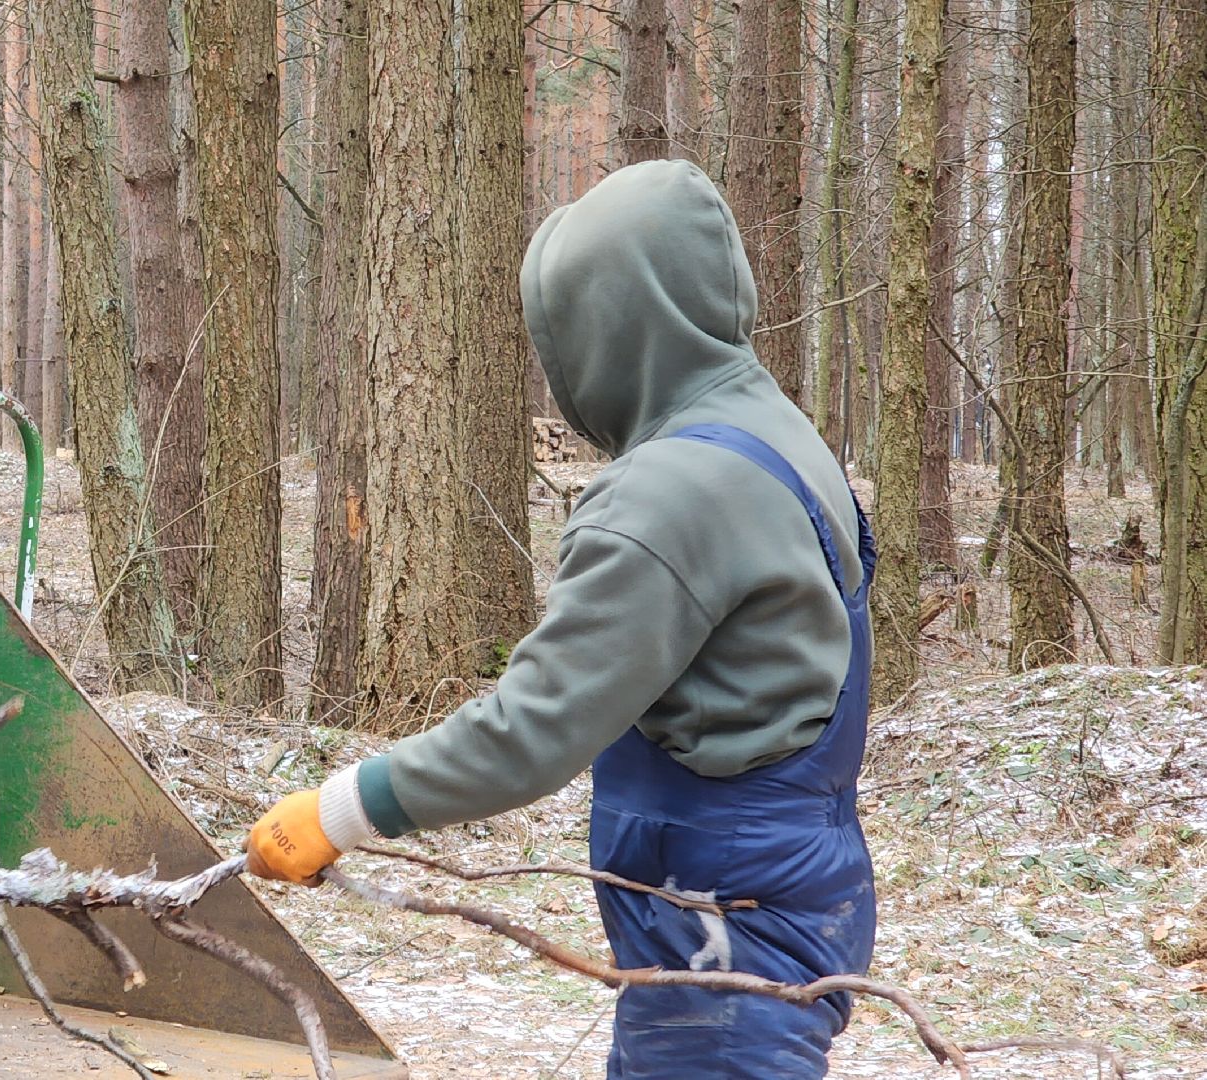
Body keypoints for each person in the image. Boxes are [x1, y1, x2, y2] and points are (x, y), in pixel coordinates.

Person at [246, 159, 876, 1080]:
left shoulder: (667, 497)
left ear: (609, 330)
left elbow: (533, 728)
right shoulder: (775, 431)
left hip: (721, 931)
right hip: (799, 886)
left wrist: (343, 808)